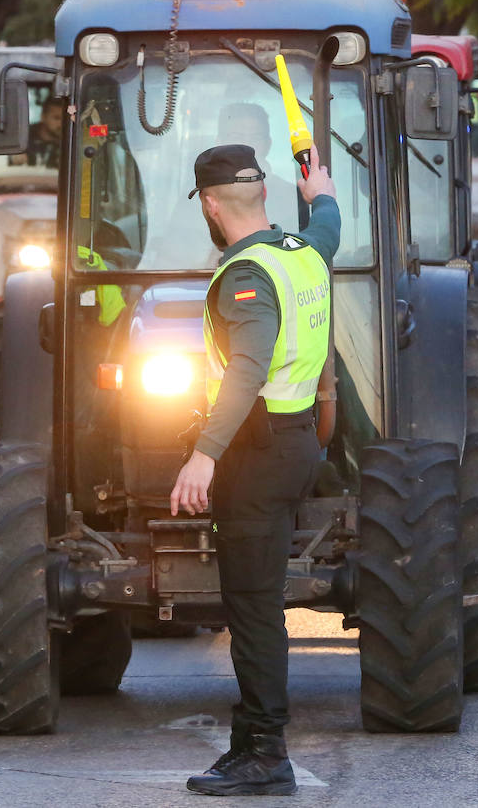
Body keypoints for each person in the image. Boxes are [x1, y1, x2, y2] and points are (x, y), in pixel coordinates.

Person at [171, 142, 340, 797]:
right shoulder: (300, 254)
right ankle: (247, 745)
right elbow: (328, 227)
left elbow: (248, 367)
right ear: (263, 195)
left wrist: (202, 455)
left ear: (210, 206)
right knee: (254, 604)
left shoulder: (246, 276)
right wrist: (321, 189)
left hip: (258, 453)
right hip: (299, 443)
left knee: (254, 610)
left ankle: (267, 754)